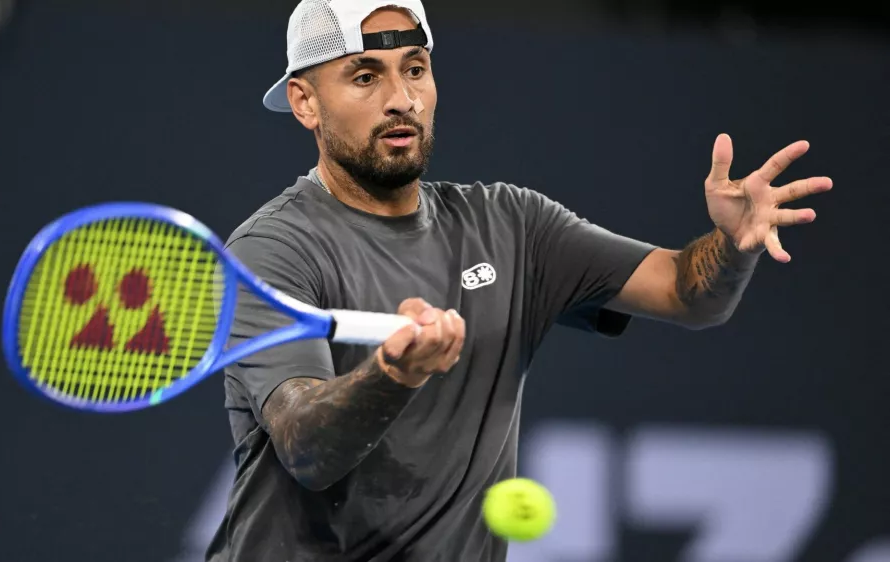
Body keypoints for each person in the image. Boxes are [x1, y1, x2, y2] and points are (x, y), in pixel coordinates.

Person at [206, 1, 832, 560]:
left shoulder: (512, 225)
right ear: (305, 102)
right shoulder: (272, 252)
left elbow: (686, 294)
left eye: (416, 68)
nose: (402, 99)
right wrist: (394, 374)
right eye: (365, 76)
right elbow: (307, 450)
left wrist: (733, 244)